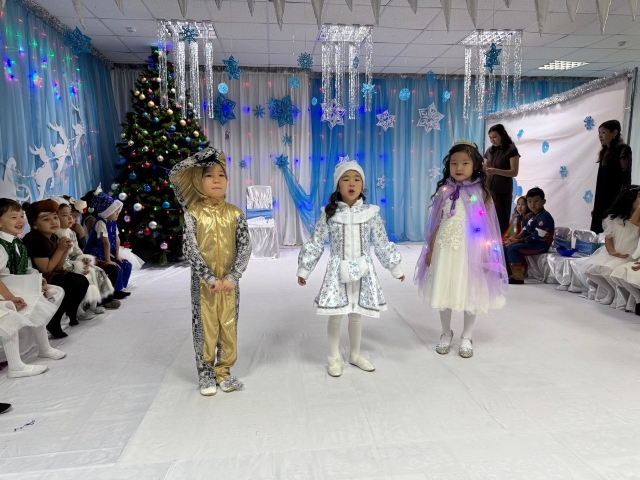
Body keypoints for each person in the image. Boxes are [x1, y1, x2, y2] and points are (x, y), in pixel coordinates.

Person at [298, 160, 404, 377]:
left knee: (356, 314)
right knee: (337, 314)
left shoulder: (371, 213)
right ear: (338, 185)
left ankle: (355, 354)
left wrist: (395, 268)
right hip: (338, 272)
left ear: (362, 185)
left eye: (357, 179)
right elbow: (316, 242)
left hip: (363, 271)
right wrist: (304, 269)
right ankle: (334, 357)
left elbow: (382, 243)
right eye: (346, 179)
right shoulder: (329, 214)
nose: (352, 183)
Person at [170, 147, 252, 396]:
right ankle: (206, 372)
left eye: (221, 175)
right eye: (209, 175)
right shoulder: (193, 214)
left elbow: (245, 247)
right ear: (198, 180)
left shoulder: (235, 213)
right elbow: (190, 249)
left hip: (229, 285)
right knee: (206, 327)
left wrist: (233, 277)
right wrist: (209, 278)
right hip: (204, 286)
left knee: (228, 325)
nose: (216, 180)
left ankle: (223, 371)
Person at [415, 140, 507, 358]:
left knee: (470, 290)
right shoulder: (444, 191)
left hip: (470, 252)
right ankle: (445, 332)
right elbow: (436, 223)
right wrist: (431, 249)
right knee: (443, 288)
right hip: (445, 249)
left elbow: (488, 227)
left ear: (475, 165)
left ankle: (467, 334)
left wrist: (486, 253)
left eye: (465, 163)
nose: (458, 168)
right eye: (454, 163)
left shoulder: (481, 193)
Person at [0, 199, 66, 377]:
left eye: (21, 216)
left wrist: (38, 281)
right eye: (13, 217)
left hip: (13, 287)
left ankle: (44, 348)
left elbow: (26, 268)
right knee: (8, 313)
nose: (20, 220)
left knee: (38, 299)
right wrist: (10, 297)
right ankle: (15, 366)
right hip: (4, 291)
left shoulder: (19, 243)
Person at [22, 200, 89, 338]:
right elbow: (45, 269)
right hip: (39, 278)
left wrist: (65, 250)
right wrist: (60, 249)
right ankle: (53, 320)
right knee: (74, 282)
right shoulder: (34, 240)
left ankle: (71, 312)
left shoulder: (53, 236)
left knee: (83, 280)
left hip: (51, 273)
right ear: (34, 224)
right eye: (46, 219)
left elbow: (58, 267)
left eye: (55, 217)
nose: (53, 222)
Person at [53, 196, 119, 312]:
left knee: (98, 271)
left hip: (75, 261)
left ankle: (97, 302)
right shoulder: (55, 235)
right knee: (87, 274)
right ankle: (81, 308)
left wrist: (83, 259)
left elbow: (77, 251)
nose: (71, 219)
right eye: (65, 215)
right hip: (65, 265)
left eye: (72, 215)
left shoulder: (71, 232)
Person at [581, 185, 640, 305]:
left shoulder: (637, 220)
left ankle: (624, 296)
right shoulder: (613, 218)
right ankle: (611, 291)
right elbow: (608, 237)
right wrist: (611, 251)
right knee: (589, 270)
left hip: (630, 253)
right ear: (630, 199)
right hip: (615, 252)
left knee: (609, 270)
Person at [83, 192, 132, 300]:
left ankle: (120, 288)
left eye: (118, 211)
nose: (117, 213)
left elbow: (117, 238)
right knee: (117, 268)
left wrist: (117, 255)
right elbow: (105, 242)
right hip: (97, 253)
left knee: (127, 265)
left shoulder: (112, 221)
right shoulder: (100, 223)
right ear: (107, 212)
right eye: (115, 211)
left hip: (108, 252)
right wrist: (108, 260)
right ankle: (113, 291)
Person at [503, 188, 555, 285]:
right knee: (505, 246)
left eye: (536, 201)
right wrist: (514, 238)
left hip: (541, 245)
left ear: (543, 201)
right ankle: (509, 272)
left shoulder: (544, 216)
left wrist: (518, 241)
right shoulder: (530, 216)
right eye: (529, 201)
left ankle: (518, 277)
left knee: (512, 249)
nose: (532, 204)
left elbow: (536, 236)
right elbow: (525, 232)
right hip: (531, 242)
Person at [591, 120, 632, 234]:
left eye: (603, 132)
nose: (600, 136)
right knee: (597, 234)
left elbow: (626, 179)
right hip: (601, 201)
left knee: (609, 234)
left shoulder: (623, 149)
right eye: (599, 132)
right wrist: (597, 207)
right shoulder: (604, 152)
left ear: (614, 133)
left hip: (614, 201)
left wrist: (620, 205)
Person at [484, 124, 521, 235]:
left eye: (495, 137)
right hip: (488, 190)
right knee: (486, 219)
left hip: (502, 191)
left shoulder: (511, 150)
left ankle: (501, 243)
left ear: (502, 135)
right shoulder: (489, 151)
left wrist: (496, 171)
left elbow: (514, 172)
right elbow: (484, 167)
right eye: (490, 137)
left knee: (501, 221)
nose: (492, 140)